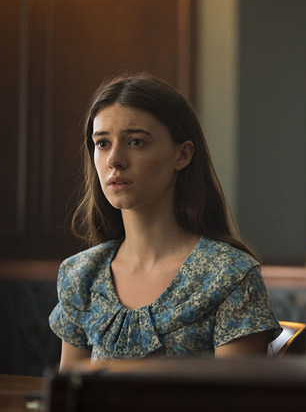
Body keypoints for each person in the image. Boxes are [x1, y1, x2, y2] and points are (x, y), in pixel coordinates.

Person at [49, 74, 281, 369]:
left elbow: (235, 401)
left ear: (181, 154)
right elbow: (69, 397)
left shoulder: (228, 275)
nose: (114, 160)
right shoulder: (81, 275)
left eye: (136, 142)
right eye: (103, 143)